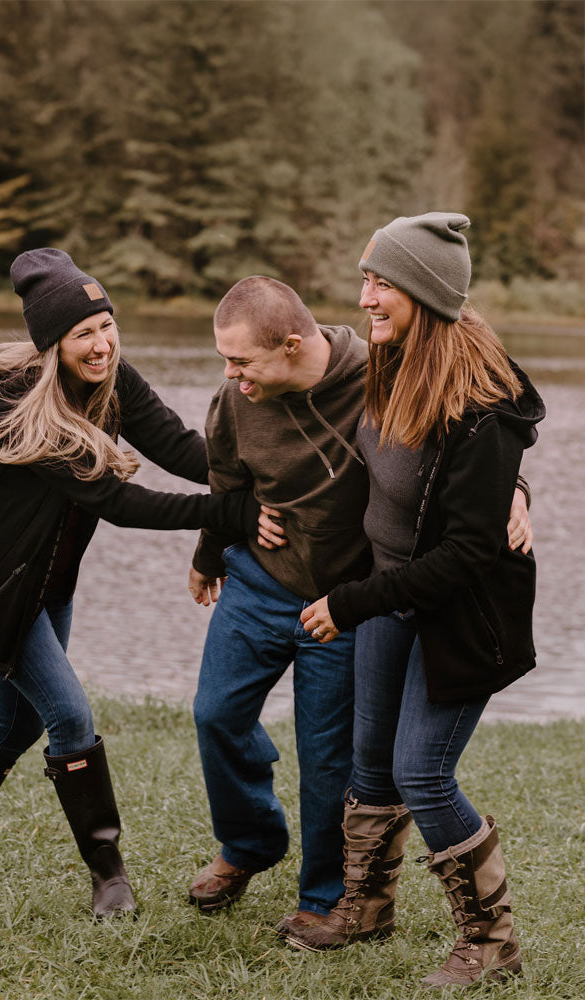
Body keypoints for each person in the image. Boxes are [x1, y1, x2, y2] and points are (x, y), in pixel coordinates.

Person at [0, 248, 273, 920]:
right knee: (69, 717)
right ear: (51, 344)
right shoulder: (17, 402)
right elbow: (121, 503)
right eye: (82, 335)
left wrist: (266, 472)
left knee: (16, 722)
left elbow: (180, 446)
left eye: (106, 326)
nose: (102, 345)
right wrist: (234, 513)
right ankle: (110, 880)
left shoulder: (112, 376)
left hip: (47, 583)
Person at [185, 274, 532, 935]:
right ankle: (249, 845)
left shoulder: (378, 372)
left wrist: (515, 488)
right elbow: (224, 483)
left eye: (240, 362)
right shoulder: (234, 401)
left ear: (291, 345)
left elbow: (465, 440)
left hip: (349, 597)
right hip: (260, 580)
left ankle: (325, 899)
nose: (230, 376)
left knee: (329, 761)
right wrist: (211, 551)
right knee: (215, 715)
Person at [288, 213, 544, 989]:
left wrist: (353, 599)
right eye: (365, 278)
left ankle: (491, 943)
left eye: (381, 282)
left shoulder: (482, 403)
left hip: (458, 611)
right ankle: (365, 910)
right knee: (371, 767)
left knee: (421, 772)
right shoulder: (394, 361)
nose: (365, 296)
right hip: (393, 595)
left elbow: (467, 553)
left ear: (426, 294)